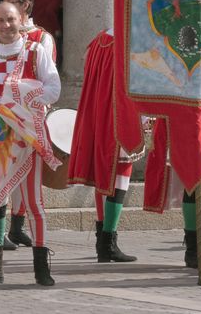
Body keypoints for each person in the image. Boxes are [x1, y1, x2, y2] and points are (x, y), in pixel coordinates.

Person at [0, 1, 60, 286]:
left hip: (26, 134)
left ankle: (41, 266)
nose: (6, 25)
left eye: (10, 19)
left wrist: (24, 102)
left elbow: (53, 89)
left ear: (21, 19)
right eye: (0, 20)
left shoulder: (35, 51)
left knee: (33, 200)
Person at [0, 0, 57, 250]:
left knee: (27, 180)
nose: (4, 8)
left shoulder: (41, 39)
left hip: (28, 118)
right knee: (1, 176)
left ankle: (19, 228)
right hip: (1, 118)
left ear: (24, 6)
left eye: (10, 2)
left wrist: (32, 104)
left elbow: (45, 79)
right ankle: (1, 232)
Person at [68, 29, 138, 263]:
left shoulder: (99, 40)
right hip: (122, 114)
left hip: (98, 113)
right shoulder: (132, 40)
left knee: (103, 173)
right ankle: (108, 239)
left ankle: (103, 240)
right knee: (120, 176)